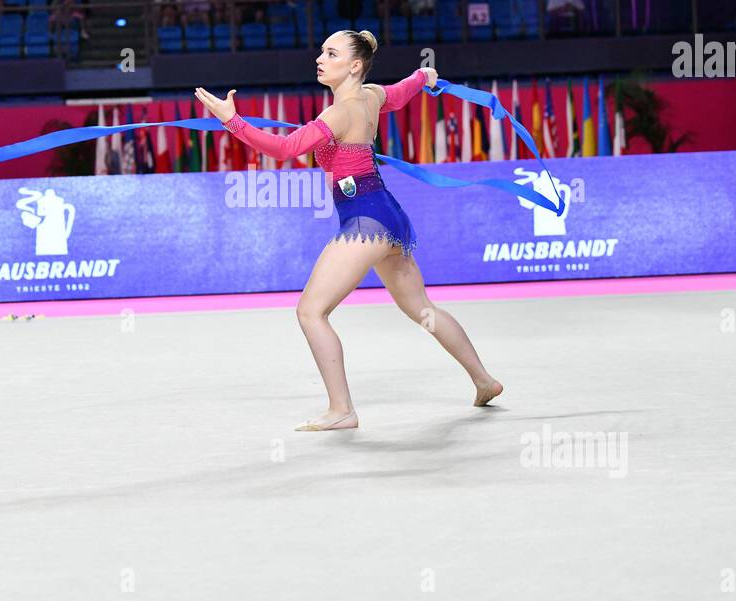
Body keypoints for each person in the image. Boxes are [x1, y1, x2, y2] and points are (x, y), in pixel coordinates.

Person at [193, 31, 503, 430]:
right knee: (423, 310)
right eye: (322, 51)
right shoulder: (371, 97)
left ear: (354, 65)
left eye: (331, 53)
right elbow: (401, 91)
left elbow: (285, 150)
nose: (320, 58)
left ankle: (342, 409)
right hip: (388, 215)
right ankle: (483, 379)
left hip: (364, 221)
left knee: (311, 312)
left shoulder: (337, 114)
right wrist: (424, 77)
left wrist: (230, 121)